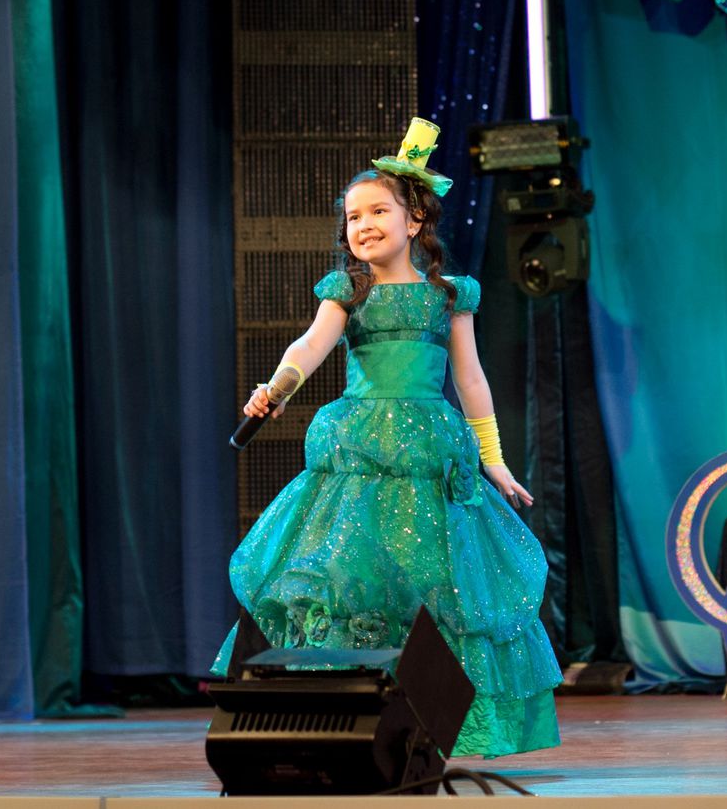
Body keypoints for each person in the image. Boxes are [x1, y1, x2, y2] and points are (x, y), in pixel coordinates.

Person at [214, 117, 561, 758]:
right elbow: (310, 345)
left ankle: (437, 723)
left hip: (428, 455)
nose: (364, 224)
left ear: (415, 221)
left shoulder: (448, 295)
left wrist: (493, 459)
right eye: (353, 216)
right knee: (352, 582)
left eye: (378, 211)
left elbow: (471, 380)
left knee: (439, 589)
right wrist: (278, 386)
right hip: (362, 455)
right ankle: (339, 720)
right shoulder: (349, 290)